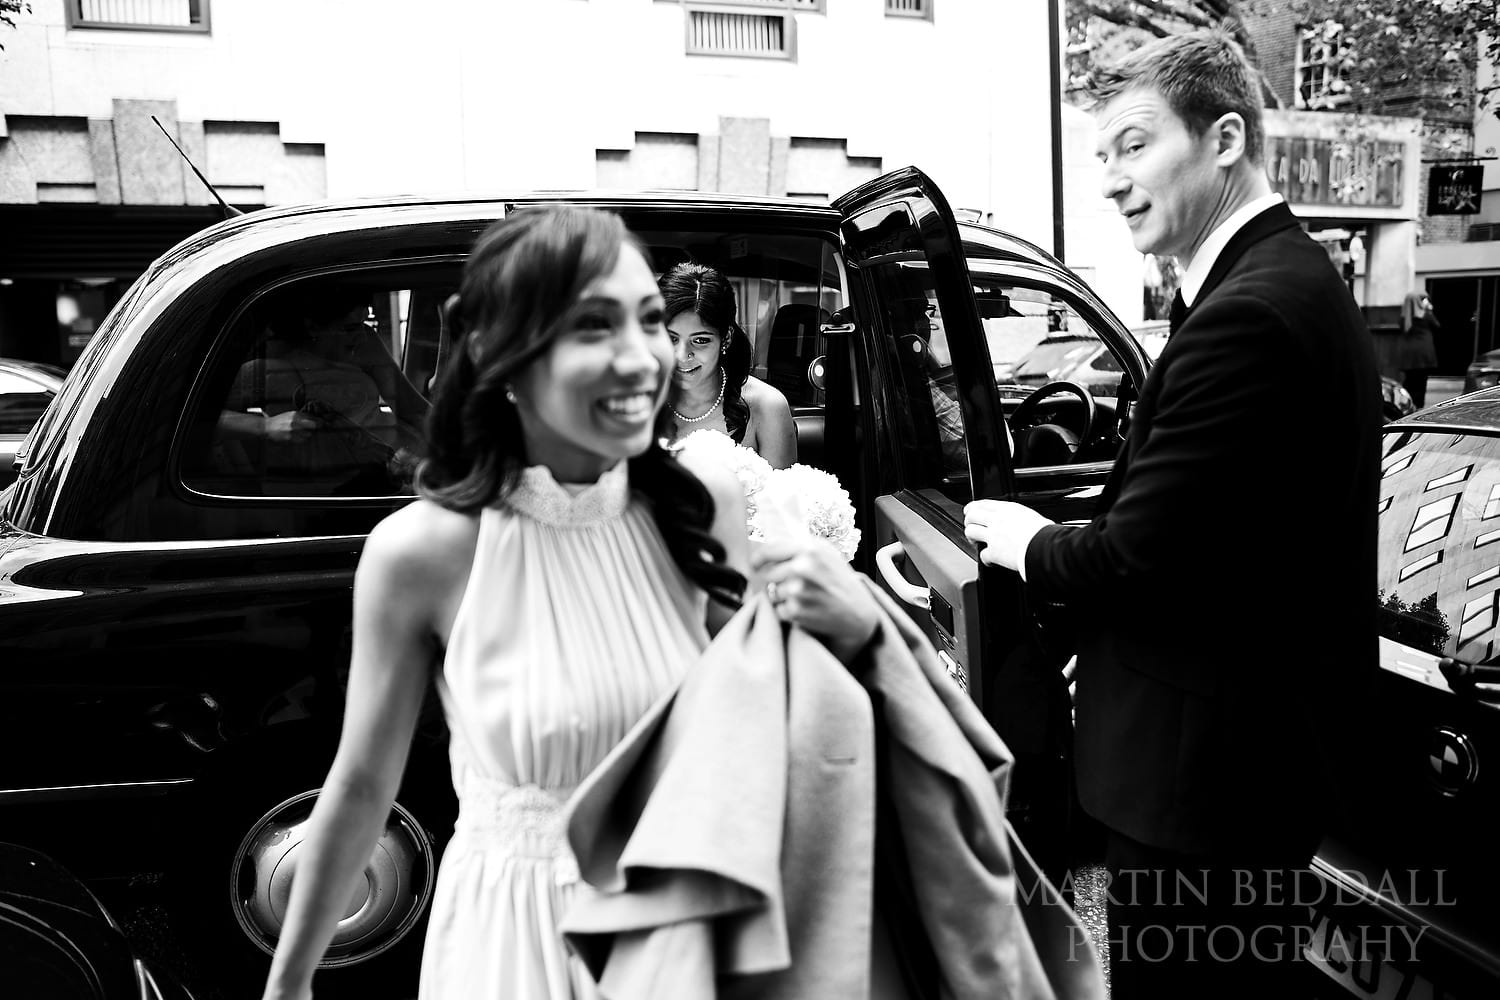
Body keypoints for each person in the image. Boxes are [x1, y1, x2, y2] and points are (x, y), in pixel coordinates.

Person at [257, 205, 879, 1000]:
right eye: (595, 327)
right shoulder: (423, 552)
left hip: (675, 935)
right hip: (513, 942)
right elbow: (361, 786)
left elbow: (756, 725)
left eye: (648, 321)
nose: (644, 357)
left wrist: (848, 632)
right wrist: (290, 981)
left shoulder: (702, 502)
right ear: (507, 356)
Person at [962, 31, 1379, 999]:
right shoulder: (1277, 282)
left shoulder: (1250, 312)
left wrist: (1029, 542)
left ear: (1224, 138)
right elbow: (1219, 550)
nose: (1112, 179)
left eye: (1136, 144)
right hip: (1229, 773)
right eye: (1103, 154)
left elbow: (1136, 551)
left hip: (1205, 795)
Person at [216, 287, 428, 491]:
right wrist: (265, 426)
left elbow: (412, 408)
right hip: (326, 491)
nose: (362, 335)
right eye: (350, 328)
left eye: (364, 323)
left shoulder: (365, 345)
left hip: (396, 473)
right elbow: (204, 420)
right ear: (313, 327)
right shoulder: (266, 370)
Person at [658, 262, 797, 468]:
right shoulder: (638, 399)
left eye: (700, 340)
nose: (682, 355)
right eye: (671, 338)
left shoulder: (767, 406)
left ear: (726, 338)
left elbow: (782, 490)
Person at [1399, 289, 1440, 408]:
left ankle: (1407, 405)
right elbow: (1437, 326)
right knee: (1421, 381)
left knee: (1409, 380)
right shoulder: (1426, 315)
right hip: (1423, 351)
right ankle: (1419, 406)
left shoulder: (1403, 319)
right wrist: (1429, 309)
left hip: (1409, 353)